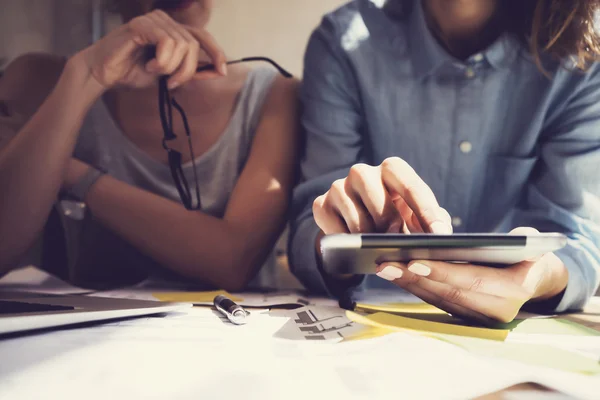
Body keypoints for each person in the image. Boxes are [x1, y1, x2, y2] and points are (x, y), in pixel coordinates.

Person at [289, 0, 600, 323]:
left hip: (520, 337)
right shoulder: (344, 41)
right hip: (365, 325)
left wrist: (540, 278)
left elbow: (580, 242)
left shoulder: (585, 48)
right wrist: (338, 231)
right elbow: (307, 235)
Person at [0, 0, 298, 291]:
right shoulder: (42, 80)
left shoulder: (274, 95)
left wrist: (69, 172)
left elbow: (233, 261)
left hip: (237, 331)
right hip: (74, 336)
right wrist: (87, 76)